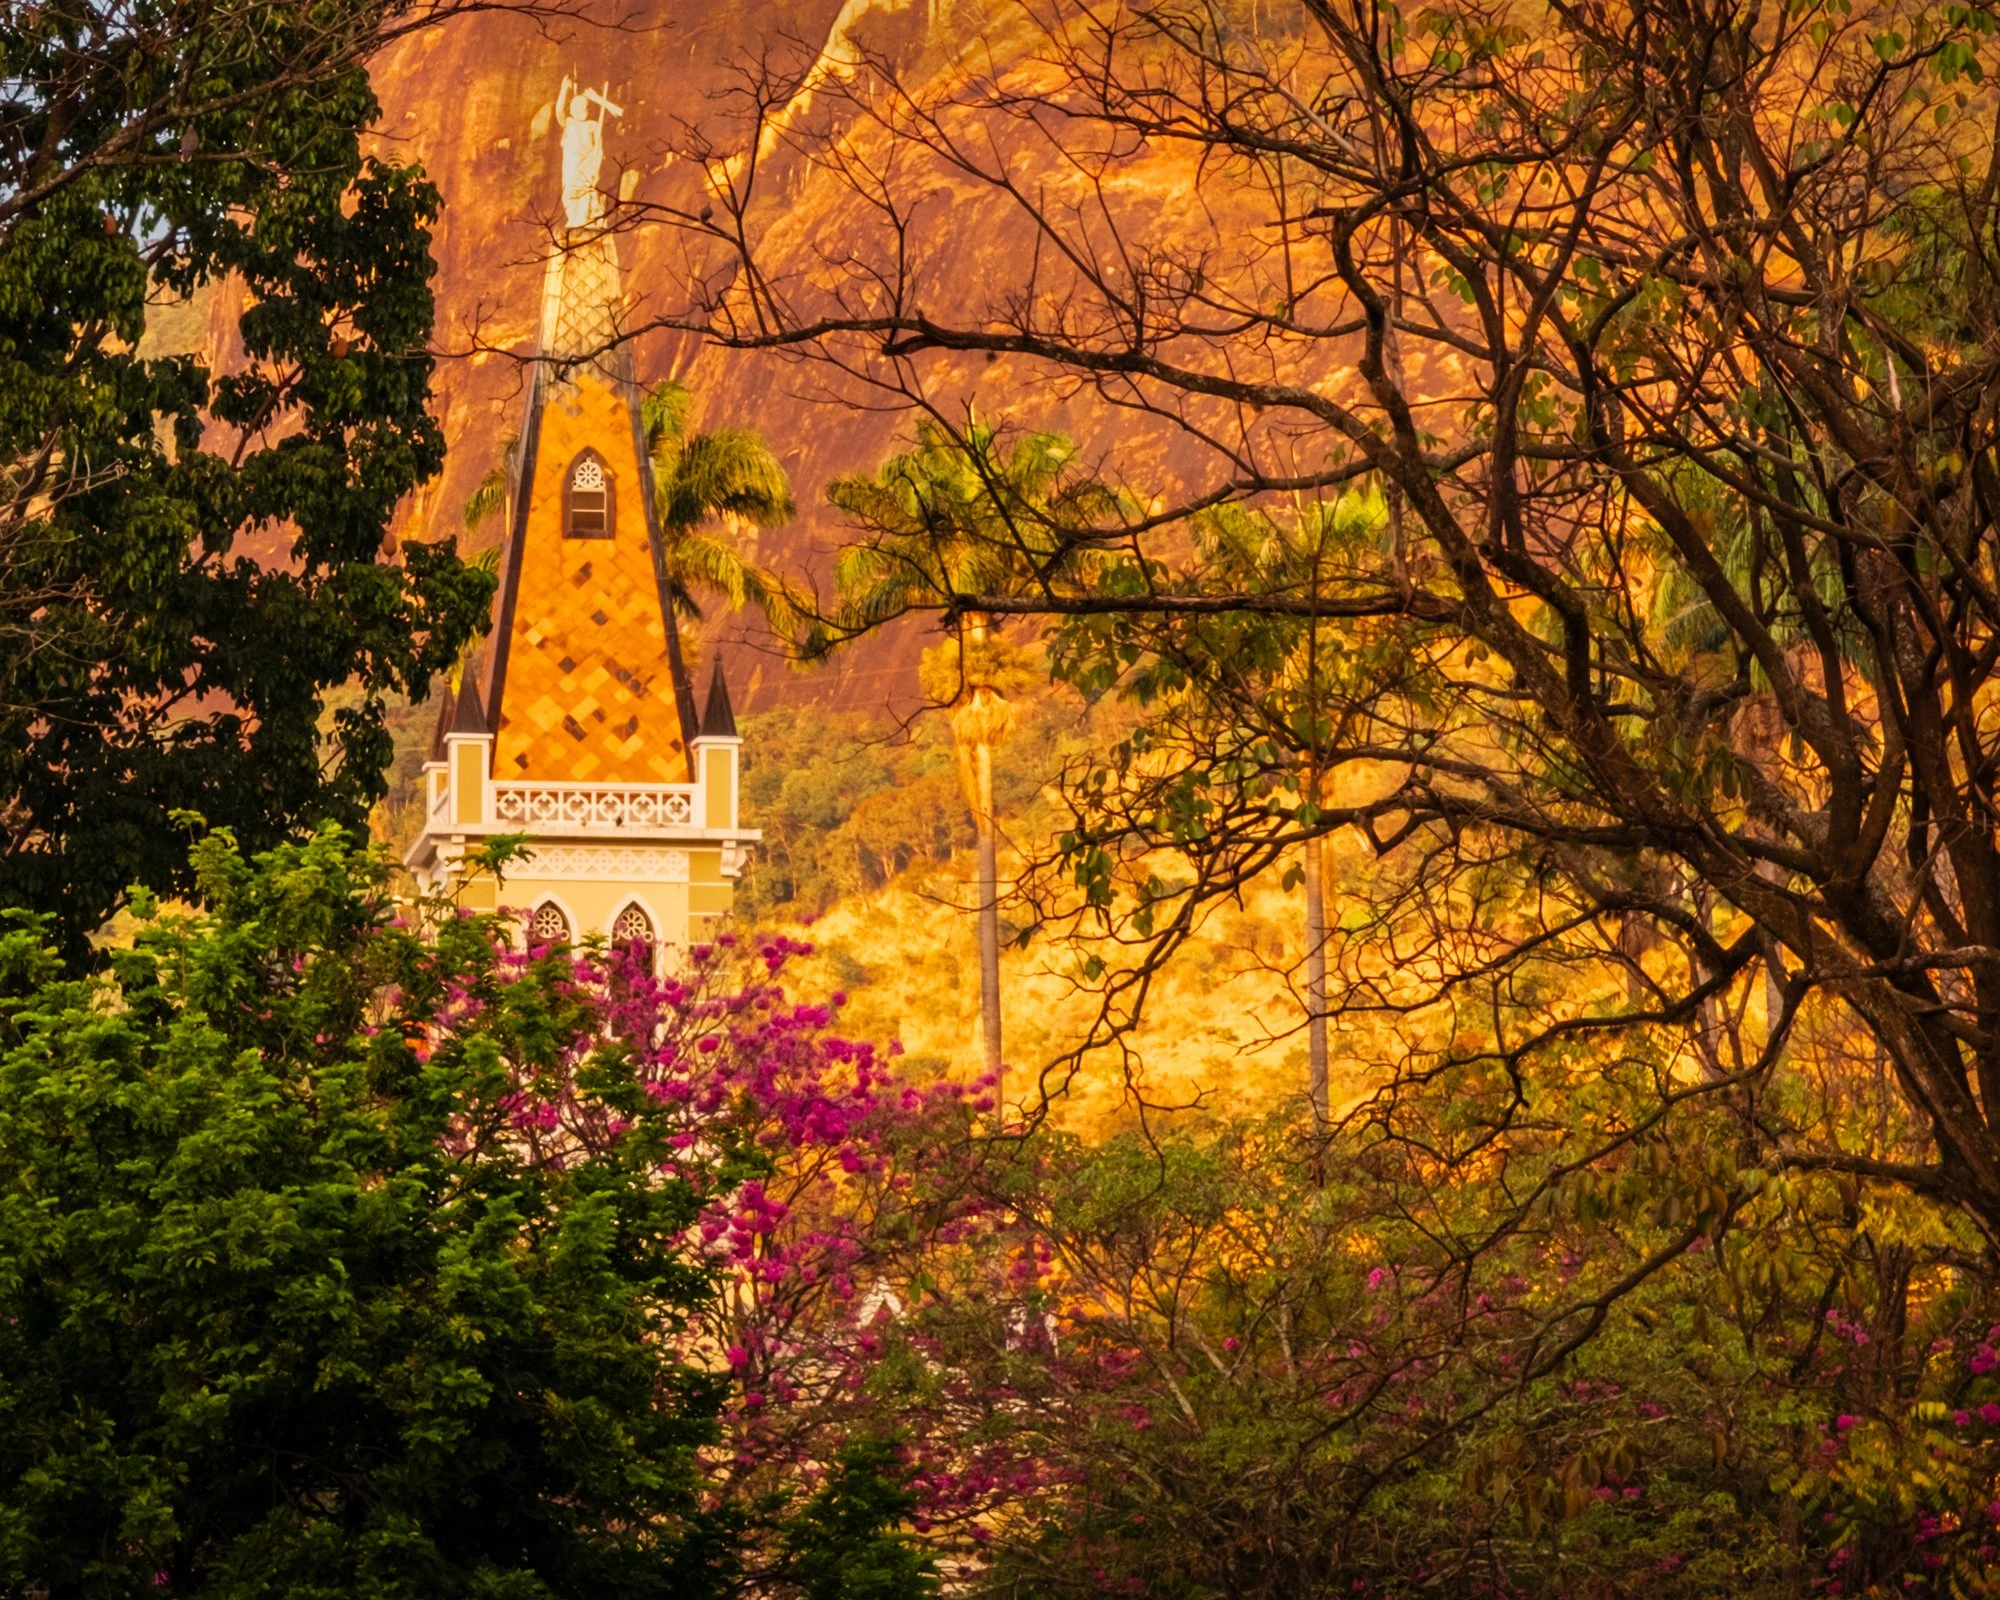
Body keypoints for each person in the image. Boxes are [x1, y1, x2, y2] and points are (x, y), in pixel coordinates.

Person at [556, 74, 624, 231]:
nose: (581, 109)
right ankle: (573, 218)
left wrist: (599, 100)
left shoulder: (593, 126)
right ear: (572, 109)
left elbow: (599, 148)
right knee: (570, 192)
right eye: (578, 106)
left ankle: (582, 220)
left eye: (584, 106)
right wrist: (564, 89)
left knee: (586, 190)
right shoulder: (568, 123)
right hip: (571, 165)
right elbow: (559, 110)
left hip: (587, 164)